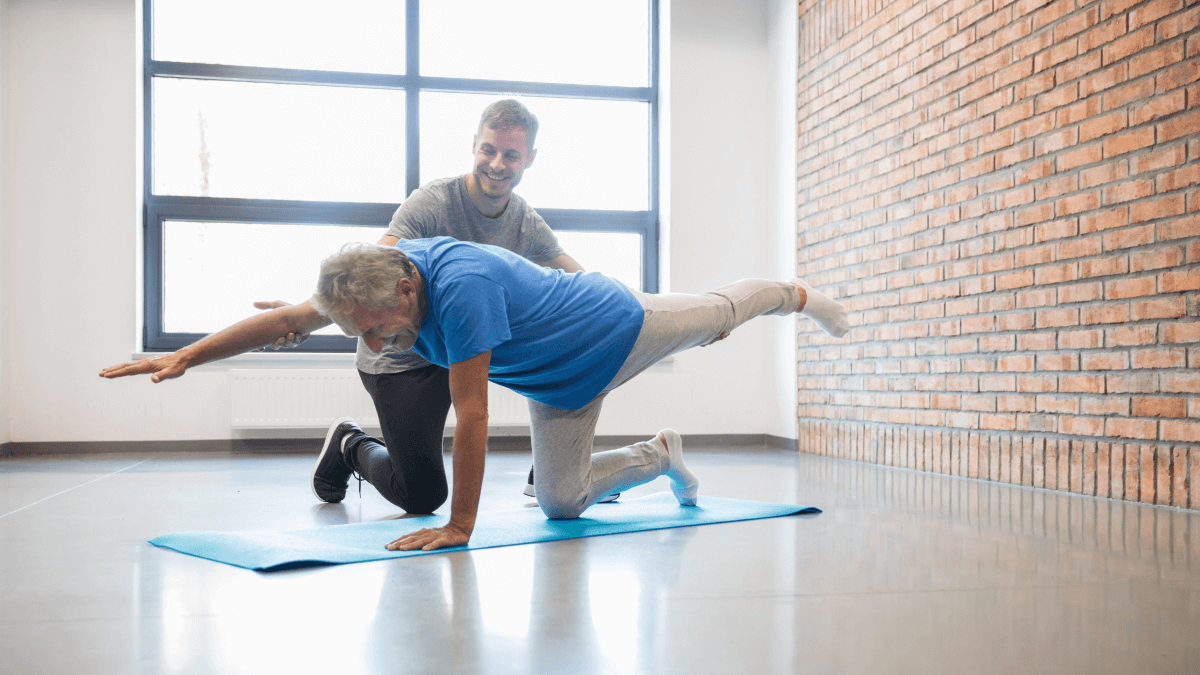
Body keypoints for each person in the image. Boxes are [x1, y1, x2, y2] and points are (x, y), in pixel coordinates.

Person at [100, 237, 850, 551]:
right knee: (562, 502)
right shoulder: (372, 285)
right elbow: (284, 320)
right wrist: (186, 356)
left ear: (405, 287)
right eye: (359, 333)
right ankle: (659, 454)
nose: (373, 342)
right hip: (561, 385)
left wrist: (461, 525)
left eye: (378, 327)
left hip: (616, 328)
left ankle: (795, 293)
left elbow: (476, 412)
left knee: (717, 316)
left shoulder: (460, 292)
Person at [257, 98, 638, 505]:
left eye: (511, 155)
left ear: (529, 159)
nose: (496, 164)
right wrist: (305, 315)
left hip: (456, 348)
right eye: (488, 150)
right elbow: (369, 269)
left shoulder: (524, 222)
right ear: (474, 145)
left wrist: (638, 315)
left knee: (550, 344)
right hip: (400, 356)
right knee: (421, 495)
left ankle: (552, 467)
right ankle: (350, 444)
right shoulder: (434, 203)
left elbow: (581, 287)